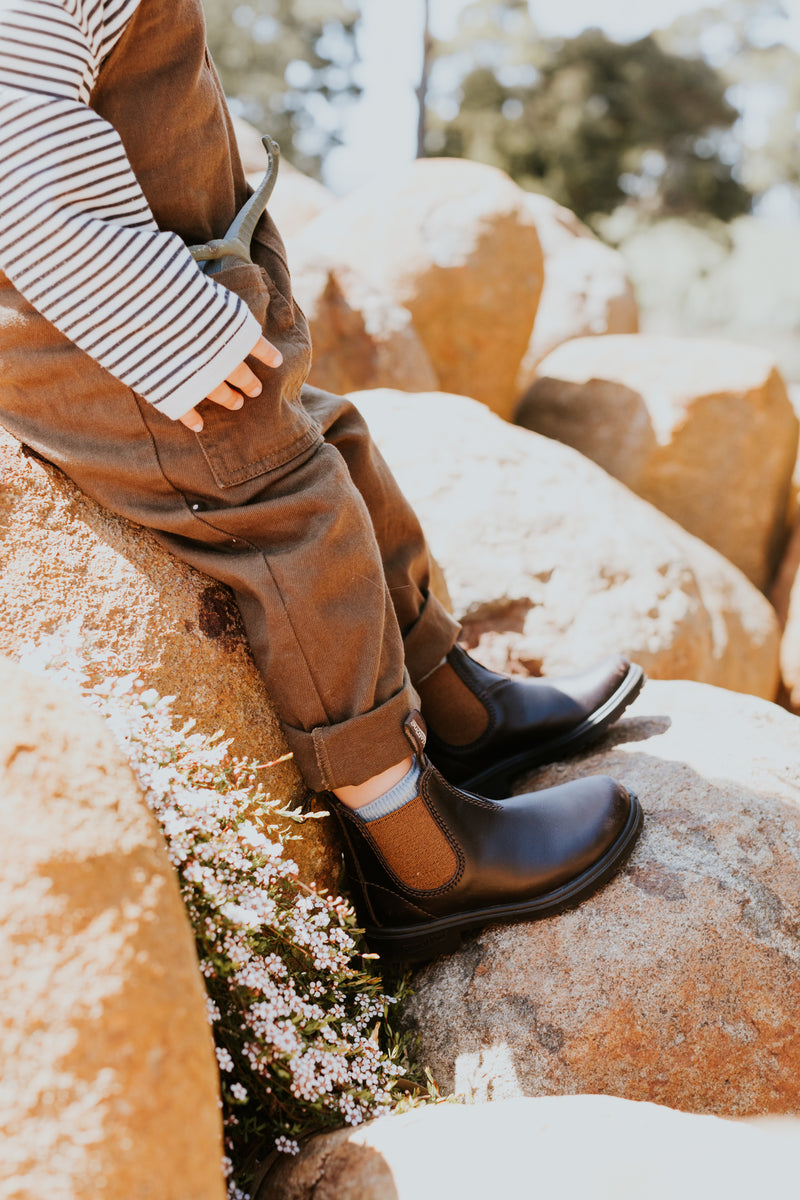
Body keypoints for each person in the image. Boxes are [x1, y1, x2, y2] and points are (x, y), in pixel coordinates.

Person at [0, 0, 643, 963]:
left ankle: (452, 706)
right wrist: (175, 328)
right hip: (110, 339)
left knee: (330, 438)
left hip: (170, 288)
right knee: (291, 516)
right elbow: (20, 162)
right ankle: (418, 852)